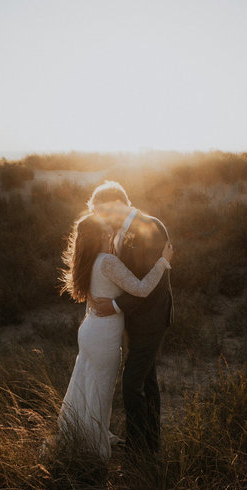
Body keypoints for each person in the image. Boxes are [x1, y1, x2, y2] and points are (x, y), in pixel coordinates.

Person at [57, 211, 174, 460]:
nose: (111, 232)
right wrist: (163, 262)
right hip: (104, 336)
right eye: (107, 229)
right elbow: (142, 289)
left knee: (85, 385)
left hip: (90, 330)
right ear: (101, 235)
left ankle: (79, 434)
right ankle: (93, 445)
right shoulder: (107, 262)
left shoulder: (85, 260)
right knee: (100, 389)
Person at [87, 181, 174, 455]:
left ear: (119, 203)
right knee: (146, 381)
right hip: (132, 319)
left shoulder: (150, 226)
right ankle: (150, 444)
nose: (102, 218)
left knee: (131, 382)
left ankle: (138, 448)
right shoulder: (116, 232)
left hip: (151, 318)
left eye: (104, 211)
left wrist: (113, 304)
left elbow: (152, 283)